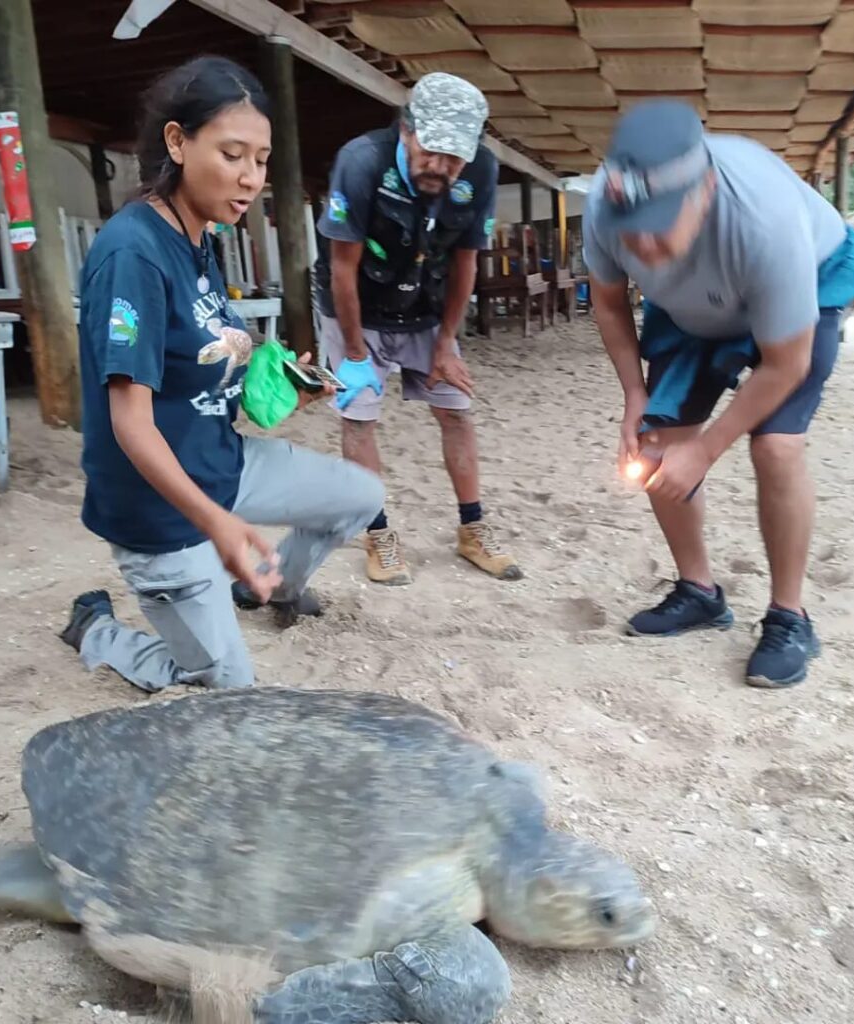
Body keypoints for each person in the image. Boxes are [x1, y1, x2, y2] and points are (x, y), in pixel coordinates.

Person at [59, 55, 384, 693]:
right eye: (232, 155)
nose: (250, 177)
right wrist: (219, 526)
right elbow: (130, 422)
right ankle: (96, 630)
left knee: (361, 497)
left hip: (220, 465)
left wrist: (283, 385)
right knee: (224, 686)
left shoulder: (200, 237)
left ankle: (271, 588)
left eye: (260, 160)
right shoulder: (132, 254)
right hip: (157, 512)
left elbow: (206, 364)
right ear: (177, 142)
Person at [582, 98, 854, 689]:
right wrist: (634, 397)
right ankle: (700, 592)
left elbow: (785, 364)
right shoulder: (603, 205)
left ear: (705, 190)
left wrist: (707, 449)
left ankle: (790, 617)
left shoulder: (762, 220)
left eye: (660, 224)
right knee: (657, 443)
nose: (644, 246)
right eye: (633, 228)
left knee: (775, 446)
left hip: (811, 281)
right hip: (693, 306)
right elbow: (609, 306)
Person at [312, 71, 522, 587]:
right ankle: (377, 532)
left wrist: (447, 343)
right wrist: (355, 355)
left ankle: (472, 528)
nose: (441, 167)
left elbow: (467, 260)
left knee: (457, 410)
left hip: (427, 304)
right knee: (359, 418)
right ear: (407, 130)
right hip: (356, 305)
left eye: (454, 158)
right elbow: (342, 268)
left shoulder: (482, 171)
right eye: (431, 151)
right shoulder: (362, 162)